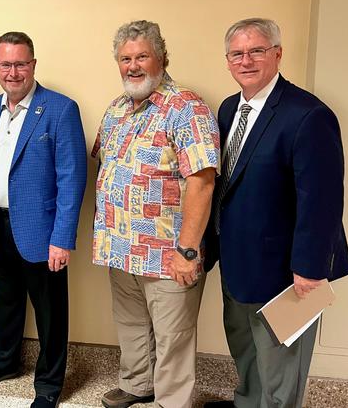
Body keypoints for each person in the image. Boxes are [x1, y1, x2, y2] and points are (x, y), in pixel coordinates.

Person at [203, 18, 348, 408]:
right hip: (237, 261)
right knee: (245, 346)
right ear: (228, 60)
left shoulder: (307, 114)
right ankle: (248, 402)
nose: (246, 60)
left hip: (287, 271)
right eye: (237, 53)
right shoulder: (229, 108)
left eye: (257, 51)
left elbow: (322, 200)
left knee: (281, 362)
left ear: (278, 54)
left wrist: (311, 267)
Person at [91, 20, 220, 408]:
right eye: (125, 58)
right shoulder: (116, 109)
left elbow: (203, 181)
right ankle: (136, 384)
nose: (132, 65)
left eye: (141, 56)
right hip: (121, 247)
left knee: (172, 336)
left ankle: (172, 402)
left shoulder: (186, 107)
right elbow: (105, 165)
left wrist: (188, 251)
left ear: (162, 57)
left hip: (168, 253)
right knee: (131, 326)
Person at [0, 31, 87, 408]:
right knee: (6, 301)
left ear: (33, 65)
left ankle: (49, 385)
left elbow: (72, 177)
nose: (13, 72)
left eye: (20, 64)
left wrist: (62, 237)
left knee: (50, 312)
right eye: (5, 64)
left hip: (42, 231)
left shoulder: (60, 109)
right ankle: (5, 364)